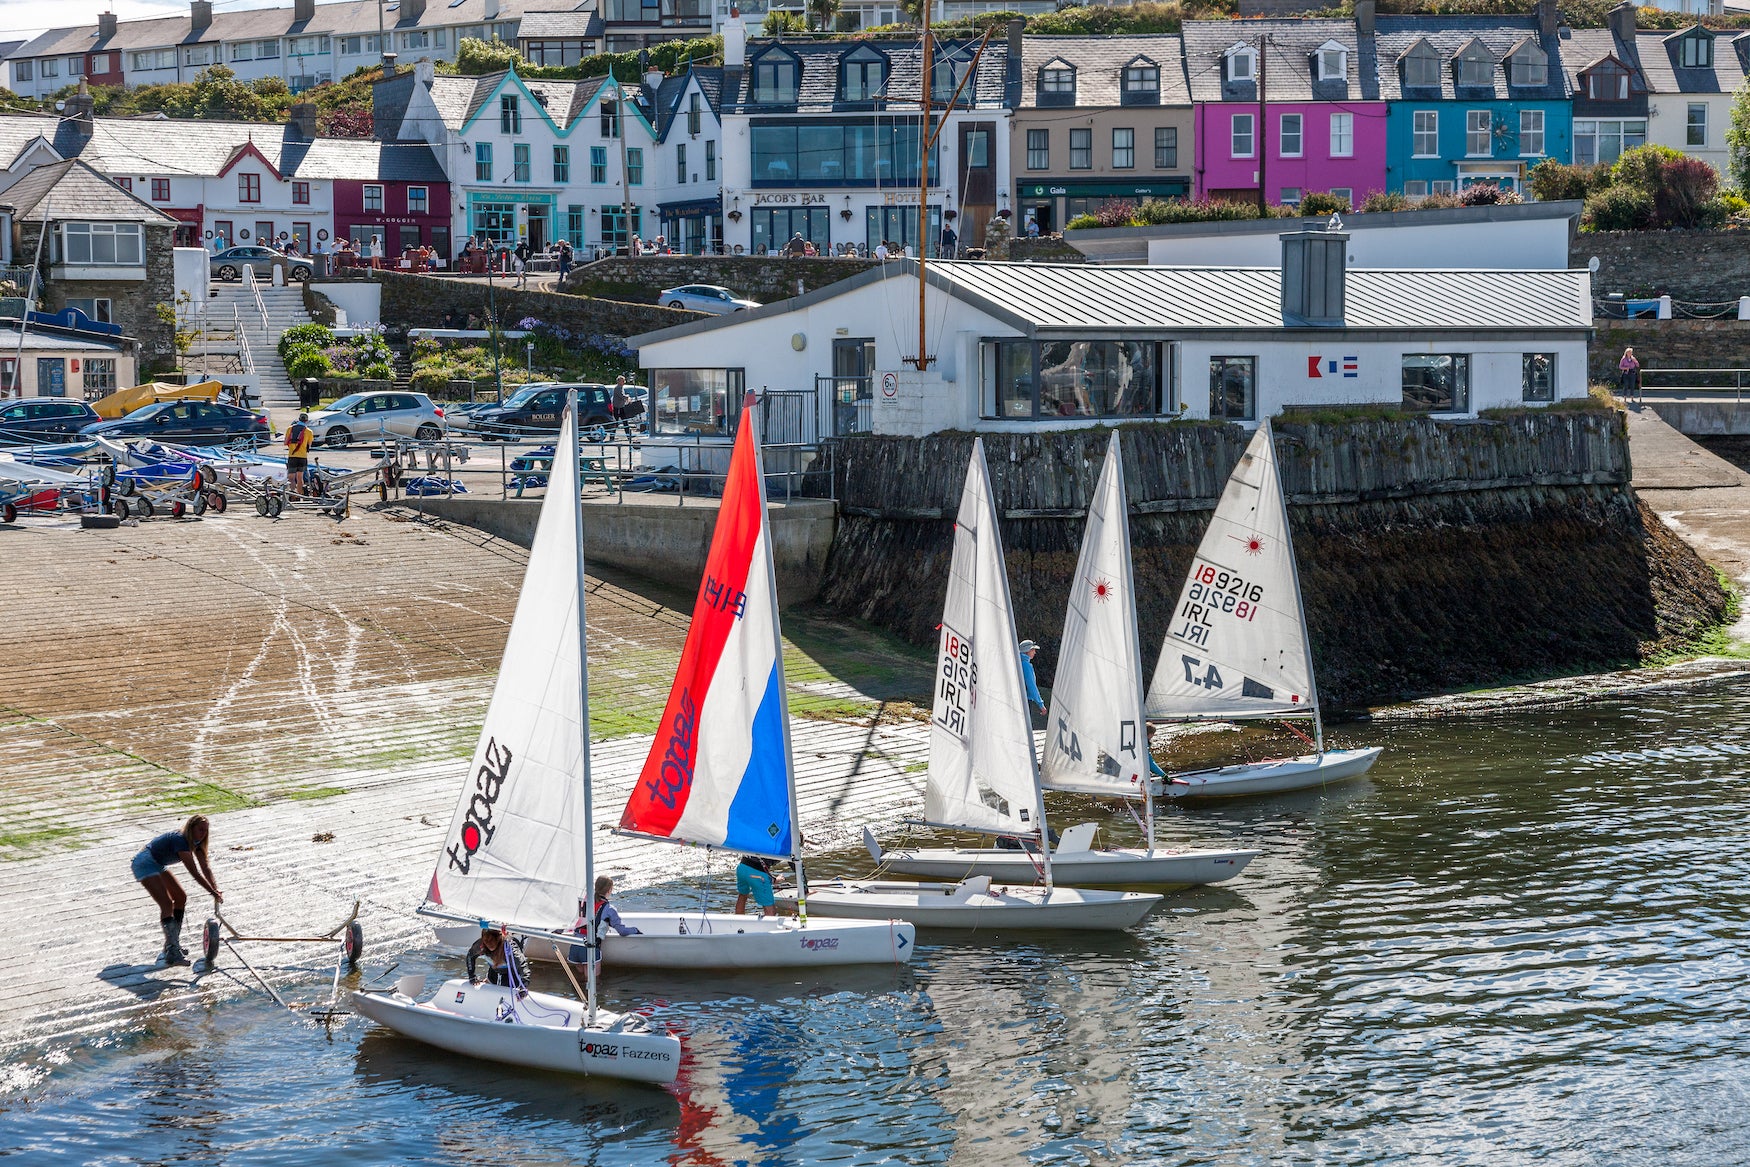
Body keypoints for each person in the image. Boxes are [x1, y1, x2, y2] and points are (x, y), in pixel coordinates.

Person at [131, 815, 222, 967]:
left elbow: (205, 868)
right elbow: (194, 872)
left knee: (180, 897)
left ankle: (172, 945)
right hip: (145, 862)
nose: (203, 833)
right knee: (166, 904)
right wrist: (211, 892)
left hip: (158, 863)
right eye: (200, 830)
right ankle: (172, 952)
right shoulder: (181, 840)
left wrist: (215, 888)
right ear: (190, 828)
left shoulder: (197, 843)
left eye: (206, 831)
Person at [466, 925, 532, 987]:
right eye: (486, 941)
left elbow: (523, 966)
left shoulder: (509, 949)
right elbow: (470, 956)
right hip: (493, 975)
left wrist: (523, 985)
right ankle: (489, 980)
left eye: (491, 940)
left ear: (498, 938)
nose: (489, 944)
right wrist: (471, 976)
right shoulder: (480, 945)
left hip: (512, 978)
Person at [285, 410, 314, 497]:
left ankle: (292, 495)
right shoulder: (309, 431)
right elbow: (309, 445)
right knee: (300, 477)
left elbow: (286, 442)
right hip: (302, 457)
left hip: (292, 456)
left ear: (299, 419)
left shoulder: (290, 429)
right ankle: (300, 494)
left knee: (291, 478)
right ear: (307, 421)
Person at [1018, 639, 1046, 718]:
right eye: (1033, 650)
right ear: (1027, 651)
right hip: (1025, 701)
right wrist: (1041, 704)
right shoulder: (1026, 665)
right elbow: (1031, 686)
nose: (1034, 652)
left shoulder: (1017, 663)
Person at [611, 375, 639, 440]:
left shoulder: (621, 387)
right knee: (616, 422)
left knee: (625, 421)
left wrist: (627, 398)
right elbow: (621, 396)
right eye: (622, 381)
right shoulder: (618, 388)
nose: (624, 382)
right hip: (617, 408)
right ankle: (612, 436)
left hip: (621, 407)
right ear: (619, 381)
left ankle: (628, 435)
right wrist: (627, 397)